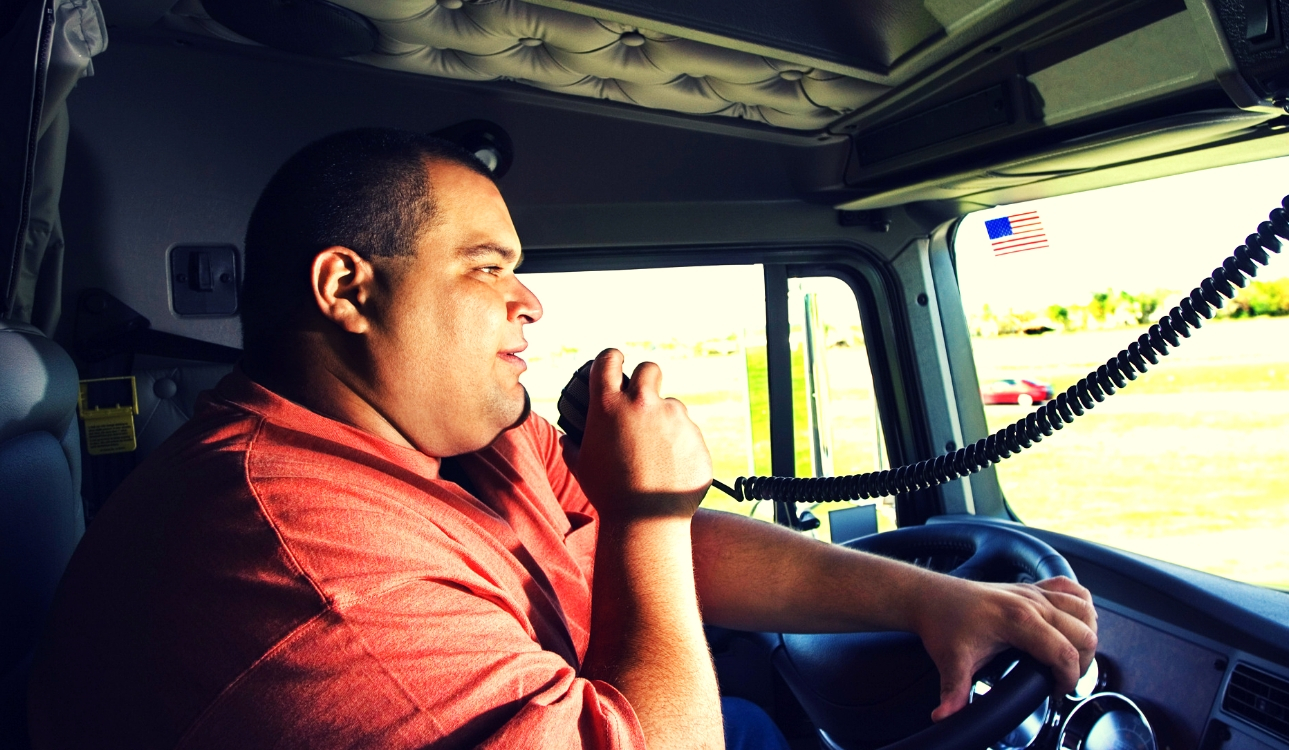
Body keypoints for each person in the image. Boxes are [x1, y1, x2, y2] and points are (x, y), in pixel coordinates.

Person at [28, 129, 1097, 750]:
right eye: (487, 267)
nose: (528, 301)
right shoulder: (303, 559)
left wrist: (926, 596)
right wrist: (648, 507)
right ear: (348, 290)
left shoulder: (460, 445)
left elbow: (621, 552)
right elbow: (636, 538)